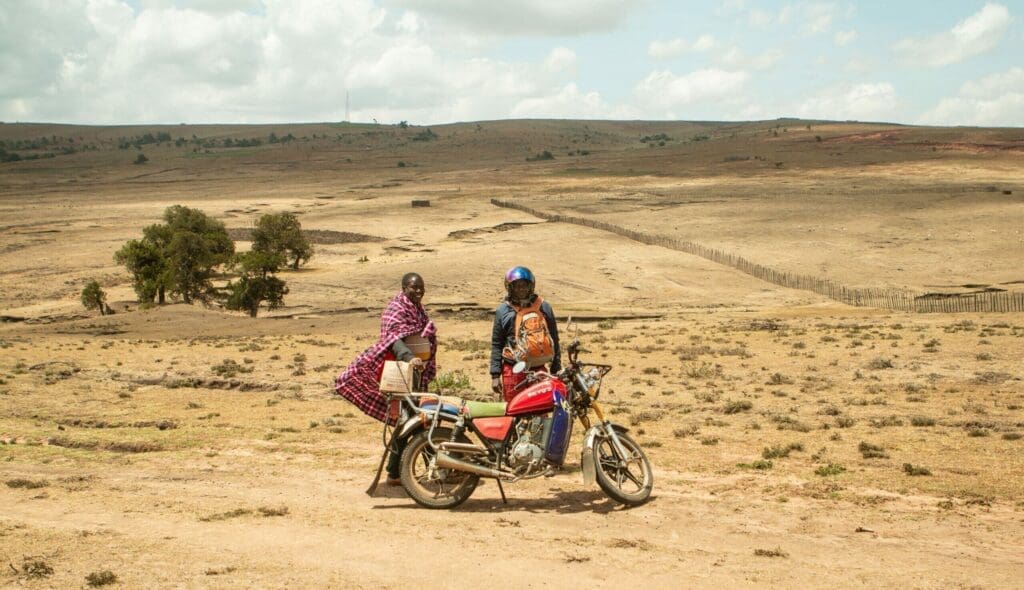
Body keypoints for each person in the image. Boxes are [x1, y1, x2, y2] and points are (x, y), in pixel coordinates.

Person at [334, 272, 436, 485]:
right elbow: (393, 340)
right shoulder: (396, 309)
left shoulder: (418, 309)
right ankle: (426, 468)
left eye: (421, 287)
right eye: (414, 287)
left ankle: (397, 471)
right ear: (403, 288)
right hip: (400, 373)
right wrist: (410, 358)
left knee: (413, 421)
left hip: (416, 374)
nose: (418, 291)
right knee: (414, 421)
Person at [490, 266, 560, 402]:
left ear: (531, 286)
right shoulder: (503, 311)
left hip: (539, 369)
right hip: (513, 370)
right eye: (517, 286)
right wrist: (495, 375)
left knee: (540, 409)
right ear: (510, 288)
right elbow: (497, 344)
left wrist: (556, 368)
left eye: (524, 285)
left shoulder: (544, 307)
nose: (521, 289)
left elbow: (554, 339)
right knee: (515, 410)